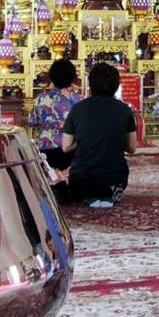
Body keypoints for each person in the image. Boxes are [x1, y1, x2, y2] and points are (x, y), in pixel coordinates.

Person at [58, 62, 138, 208]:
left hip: (82, 181)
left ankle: (90, 197)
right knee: (114, 182)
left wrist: (84, 139)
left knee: (78, 185)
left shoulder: (77, 109)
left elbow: (66, 147)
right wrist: (115, 138)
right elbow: (132, 148)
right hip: (115, 179)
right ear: (116, 85)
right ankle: (109, 196)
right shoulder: (125, 110)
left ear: (91, 85)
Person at [27, 58, 81, 172]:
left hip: (46, 151)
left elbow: (31, 121)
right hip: (71, 151)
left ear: (51, 77)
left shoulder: (41, 99)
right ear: (72, 77)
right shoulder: (78, 100)